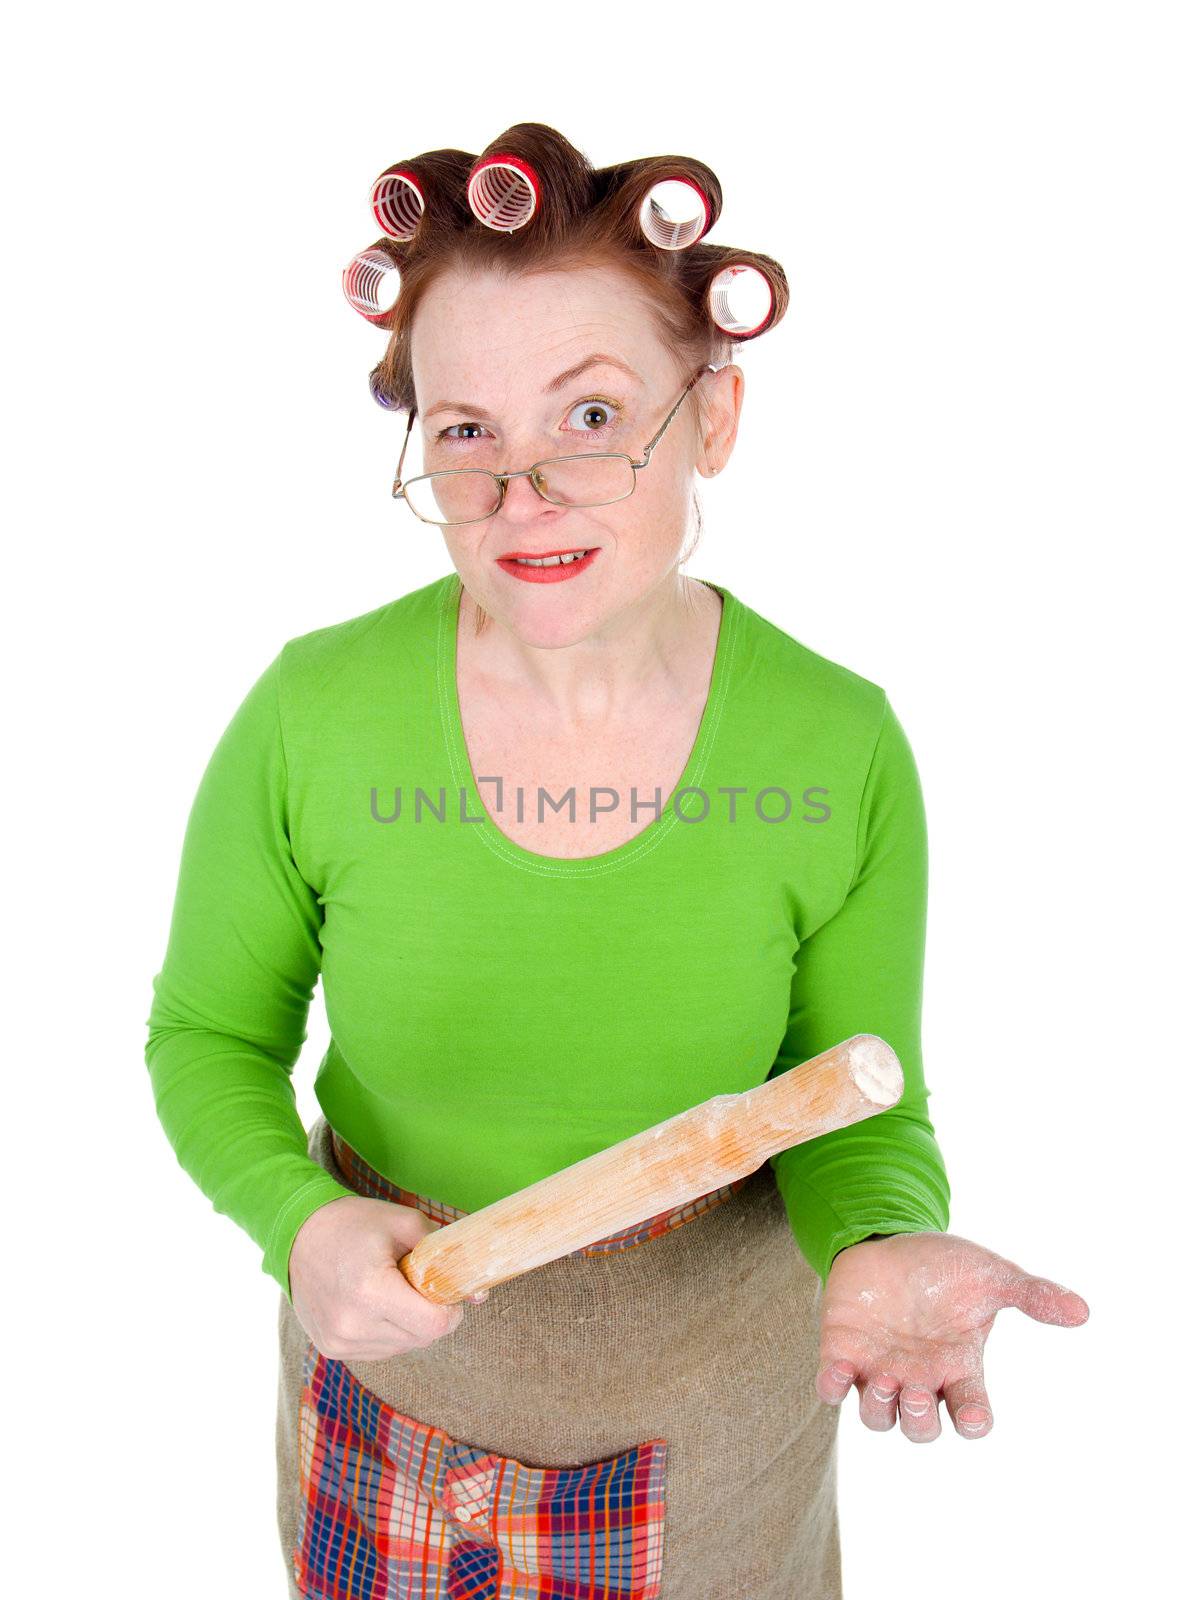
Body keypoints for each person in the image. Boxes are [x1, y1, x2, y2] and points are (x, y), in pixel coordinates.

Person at [144, 122, 1090, 1600]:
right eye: (465, 431)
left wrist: (886, 1239)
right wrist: (300, 1219)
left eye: (590, 417)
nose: (524, 491)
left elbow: (851, 1095)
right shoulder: (310, 715)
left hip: (714, 1408)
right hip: (394, 1405)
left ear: (710, 413)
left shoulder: (832, 744)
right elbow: (207, 1036)